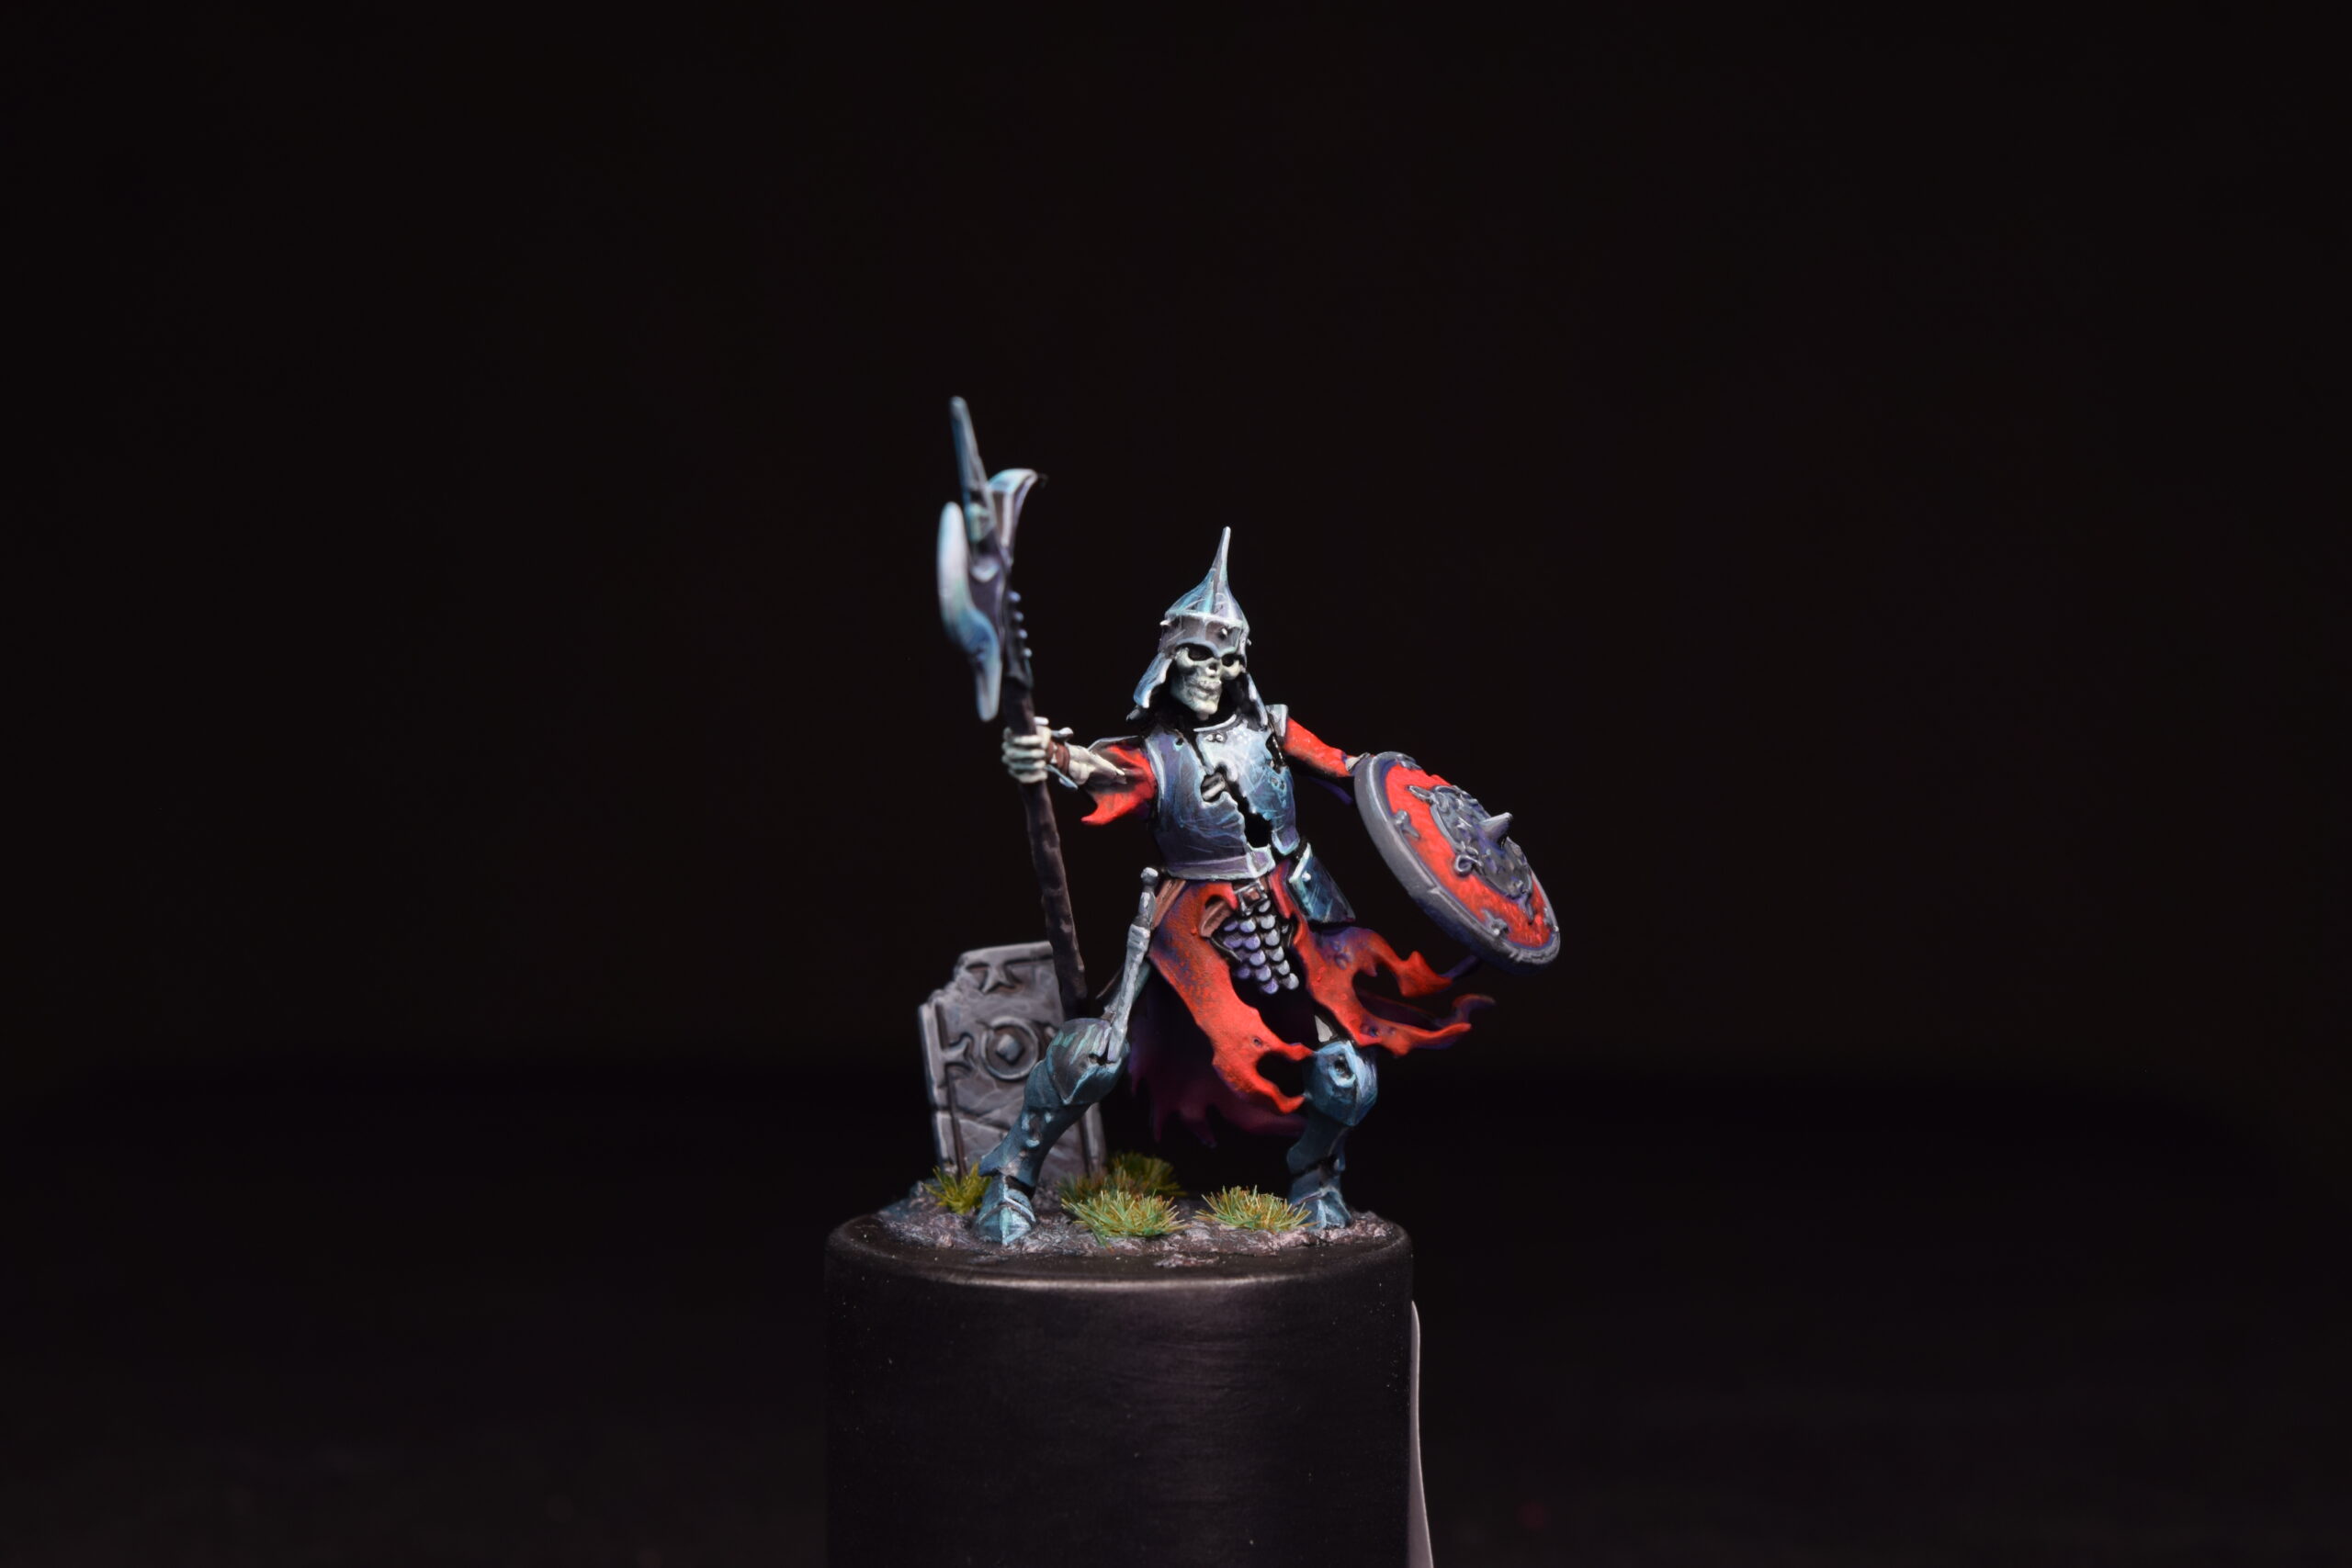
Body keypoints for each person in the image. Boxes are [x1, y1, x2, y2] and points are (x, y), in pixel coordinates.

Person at [972, 529, 1485, 1241]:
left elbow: (1358, 775)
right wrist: (1051, 752)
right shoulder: (1156, 753)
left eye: (1226, 658)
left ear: (1243, 664)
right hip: (1194, 925)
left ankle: (1316, 1173)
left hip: (1295, 914)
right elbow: (1098, 768)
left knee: (1348, 1072)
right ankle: (1010, 1170)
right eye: (1196, 655)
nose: (1211, 672)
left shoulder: (1272, 729)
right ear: (1168, 660)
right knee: (1094, 1055)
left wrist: (1440, 817)